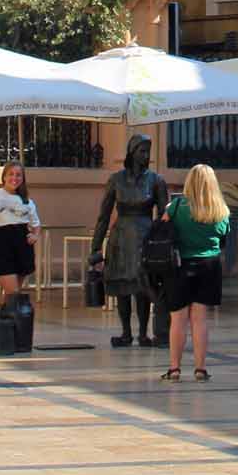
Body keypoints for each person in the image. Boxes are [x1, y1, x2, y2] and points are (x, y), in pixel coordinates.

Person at [90, 134, 169, 347]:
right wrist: (96, 248)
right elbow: (103, 216)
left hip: (145, 238)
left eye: (148, 151)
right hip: (120, 238)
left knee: (142, 286)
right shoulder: (116, 180)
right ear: (132, 152)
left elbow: (165, 217)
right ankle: (126, 332)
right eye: (142, 151)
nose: (146, 156)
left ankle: (143, 333)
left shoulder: (156, 181)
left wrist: (164, 245)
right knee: (122, 286)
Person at [160, 163, 231, 382]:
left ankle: (174, 369)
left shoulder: (175, 206)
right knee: (199, 320)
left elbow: (162, 232)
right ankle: (200, 369)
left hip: (179, 266)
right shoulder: (220, 210)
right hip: (209, 266)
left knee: (178, 319)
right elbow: (223, 239)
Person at [0, 163, 41, 298]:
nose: (14, 178)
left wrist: (35, 235)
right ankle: (12, 318)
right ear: (4, 176)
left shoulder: (27, 201)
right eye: (11, 174)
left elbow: (36, 223)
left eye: (18, 175)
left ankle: (8, 318)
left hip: (22, 245)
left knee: (12, 295)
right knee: (13, 292)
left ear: (23, 178)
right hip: (0, 244)